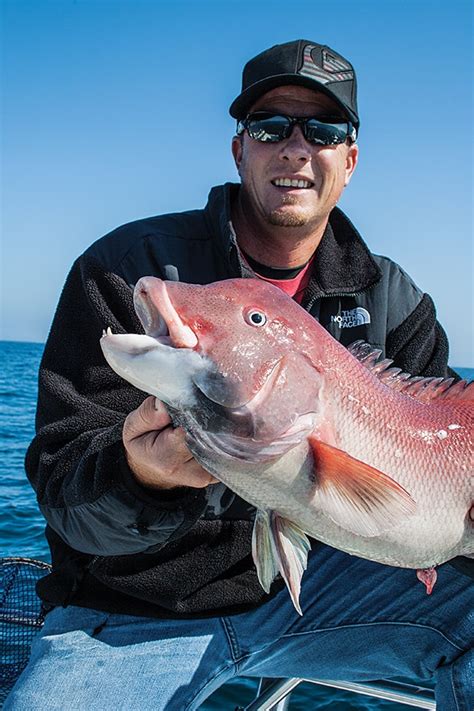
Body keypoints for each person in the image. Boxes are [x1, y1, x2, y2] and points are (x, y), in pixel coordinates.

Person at [6, 40, 472, 711]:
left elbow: (433, 470)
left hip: (323, 594)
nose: (295, 147)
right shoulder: (121, 268)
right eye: (269, 127)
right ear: (239, 150)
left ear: (350, 160)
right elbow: (63, 493)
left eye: (325, 130)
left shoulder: (394, 299)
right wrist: (145, 480)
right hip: (127, 615)